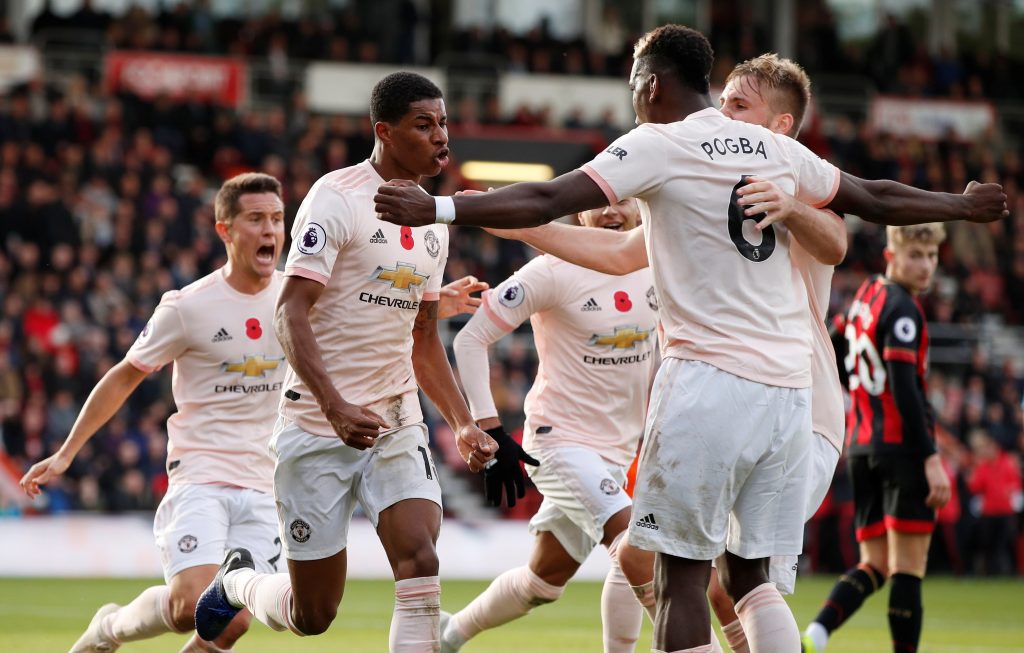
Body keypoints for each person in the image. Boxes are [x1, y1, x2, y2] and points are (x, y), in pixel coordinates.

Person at [373, 25, 1007, 653]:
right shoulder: (774, 152)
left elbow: (549, 195)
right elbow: (871, 196)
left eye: (631, 84)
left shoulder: (659, 143)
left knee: (679, 579)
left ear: (650, 85)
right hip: (789, 396)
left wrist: (440, 208)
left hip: (708, 384)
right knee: (751, 579)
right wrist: (958, 203)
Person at [485, 53, 849, 653]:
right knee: (701, 567)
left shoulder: (790, 182)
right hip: (764, 403)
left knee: (697, 571)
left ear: (781, 127)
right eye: (721, 99)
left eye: (737, 105)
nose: (718, 112)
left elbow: (836, 236)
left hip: (785, 408)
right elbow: (624, 252)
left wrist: (792, 207)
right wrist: (521, 225)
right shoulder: (719, 182)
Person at [193, 71, 500, 652]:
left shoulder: (435, 219)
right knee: (312, 614)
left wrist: (461, 421)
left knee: (420, 557)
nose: (441, 137)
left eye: (443, 123)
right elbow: (290, 312)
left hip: (394, 417)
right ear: (383, 131)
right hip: (316, 423)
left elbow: (423, 334)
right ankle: (236, 580)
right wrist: (334, 406)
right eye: (424, 124)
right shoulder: (337, 199)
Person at [20, 172, 288, 653]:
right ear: (224, 230)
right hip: (202, 473)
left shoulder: (298, 300)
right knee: (192, 608)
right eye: (255, 219)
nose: (270, 231)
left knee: (231, 623)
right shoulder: (188, 307)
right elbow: (125, 375)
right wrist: (65, 454)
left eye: (276, 219)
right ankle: (108, 630)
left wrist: (432, 310)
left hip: (267, 481)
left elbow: (364, 321)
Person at [442, 198, 659, 653]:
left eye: (623, 201)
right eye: (598, 204)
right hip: (559, 443)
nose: (611, 212)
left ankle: (450, 634)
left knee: (543, 582)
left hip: (618, 452)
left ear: (642, 208)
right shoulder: (552, 271)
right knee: (637, 547)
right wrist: (491, 429)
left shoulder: (659, 260)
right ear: (579, 214)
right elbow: (471, 338)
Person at [802, 223, 953, 653]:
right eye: (916, 256)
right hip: (903, 450)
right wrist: (930, 457)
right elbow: (906, 389)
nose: (925, 267)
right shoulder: (903, 309)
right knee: (909, 569)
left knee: (875, 565)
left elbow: (833, 347)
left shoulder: (866, 295)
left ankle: (816, 634)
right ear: (893, 255)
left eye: (931, 257)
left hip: (863, 449)